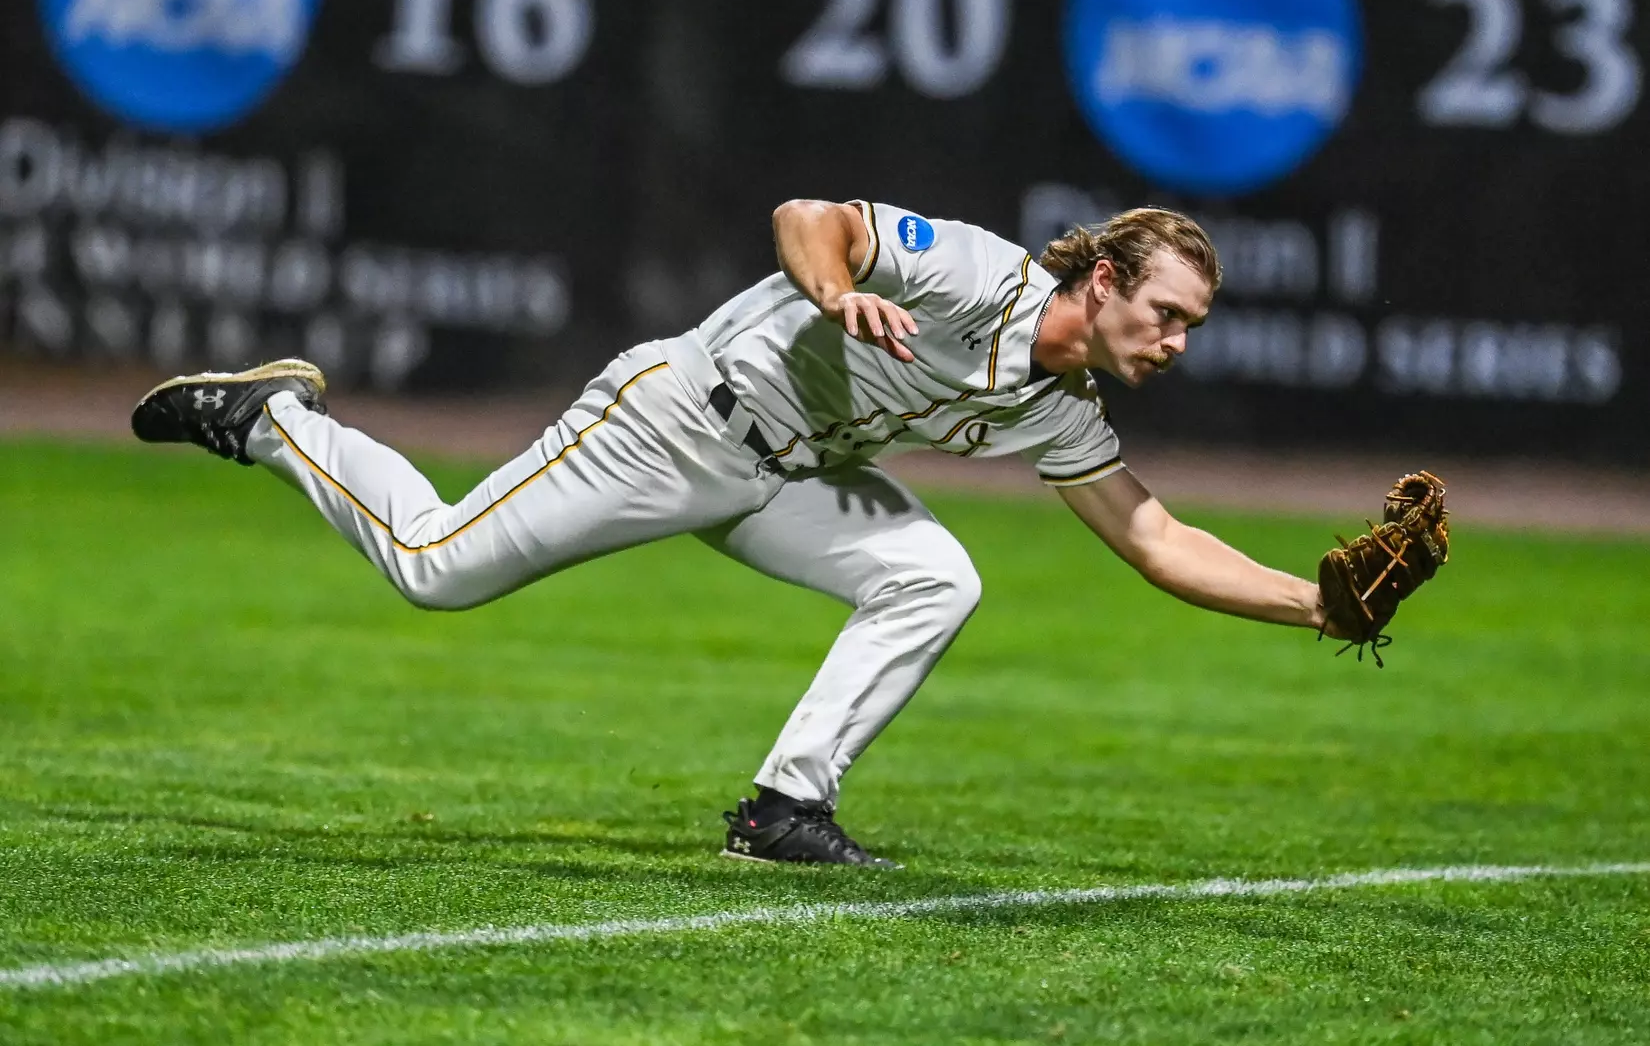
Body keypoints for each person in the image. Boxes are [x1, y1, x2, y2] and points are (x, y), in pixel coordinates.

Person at [132, 200, 1346, 868]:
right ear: (1102, 283)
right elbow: (810, 213)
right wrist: (836, 290)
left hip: (786, 475)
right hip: (678, 417)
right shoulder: (984, 277)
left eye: (1191, 323)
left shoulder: (1060, 402)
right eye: (1167, 311)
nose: (1178, 340)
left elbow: (1156, 537)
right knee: (437, 567)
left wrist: (1318, 603)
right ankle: (275, 420)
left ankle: (782, 809)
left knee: (933, 575)